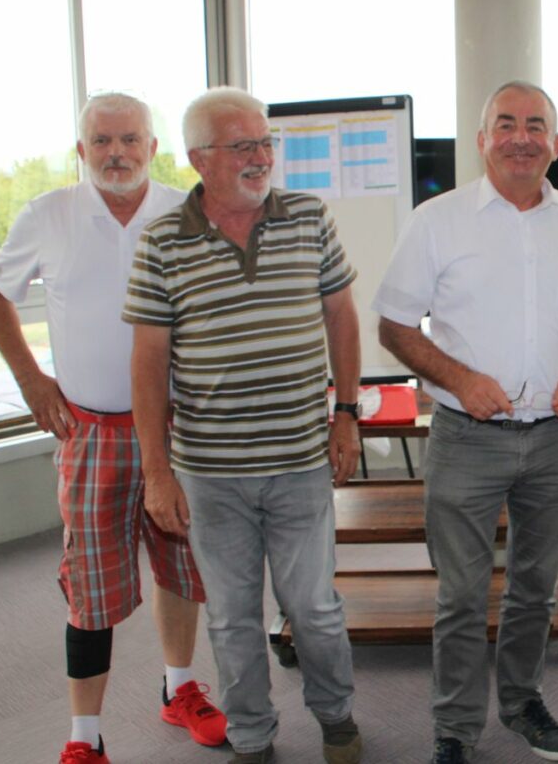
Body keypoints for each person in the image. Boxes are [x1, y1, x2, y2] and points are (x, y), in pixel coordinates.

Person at [373, 80, 558, 764]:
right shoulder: (437, 220)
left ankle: (522, 702)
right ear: (482, 140)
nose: (521, 137)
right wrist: (460, 380)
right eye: (505, 124)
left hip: (555, 439)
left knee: (536, 588)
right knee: (460, 596)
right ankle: (454, 728)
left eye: (535, 125)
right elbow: (394, 325)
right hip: (466, 439)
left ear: (556, 144)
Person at [0, 92, 226, 764]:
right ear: (81, 149)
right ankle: (84, 736)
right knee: (90, 586)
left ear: (153, 148)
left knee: (181, 566)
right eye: (102, 140)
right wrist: (31, 379)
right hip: (90, 434)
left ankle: (179, 688)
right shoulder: (48, 215)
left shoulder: (189, 211)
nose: (116, 153)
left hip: (177, 432)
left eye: (129, 139)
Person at [124, 87, 364, 764]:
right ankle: (253, 735)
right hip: (211, 473)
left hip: (300, 461)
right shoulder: (162, 241)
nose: (261, 157)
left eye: (266, 142)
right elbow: (148, 363)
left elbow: (342, 317)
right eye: (243, 146)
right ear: (200, 158)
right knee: (231, 617)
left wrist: (346, 414)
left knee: (313, 608)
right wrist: (157, 471)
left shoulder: (308, 216)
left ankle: (336, 716)